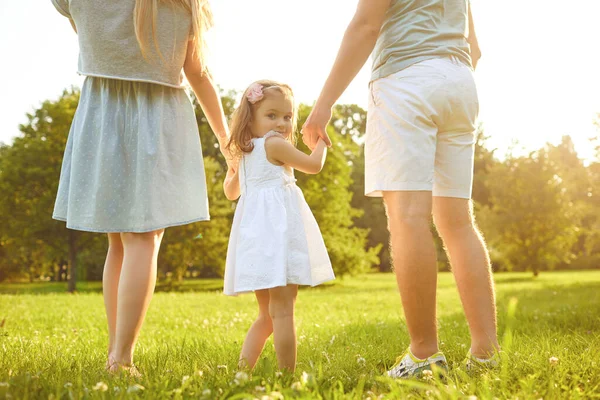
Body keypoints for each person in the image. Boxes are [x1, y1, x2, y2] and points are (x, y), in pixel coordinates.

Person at [302, 0, 499, 378]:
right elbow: (474, 48)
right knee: (458, 222)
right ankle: (486, 354)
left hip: (406, 81)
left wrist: (323, 104)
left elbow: (365, 26)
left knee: (409, 217)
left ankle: (424, 355)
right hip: (459, 80)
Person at [50, 0, 230, 375]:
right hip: (156, 116)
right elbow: (198, 74)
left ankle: (115, 353)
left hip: (100, 112)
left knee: (119, 240)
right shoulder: (183, 4)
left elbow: (85, 35)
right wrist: (228, 145)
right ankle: (121, 358)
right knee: (143, 239)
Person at [222, 80, 335, 372]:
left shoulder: (244, 152)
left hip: (256, 241)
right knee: (283, 311)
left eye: (287, 116)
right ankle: (287, 376)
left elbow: (231, 192)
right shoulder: (274, 144)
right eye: (271, 115)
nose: (282, 123)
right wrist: (321, 142)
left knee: (267, 316)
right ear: (251, 118)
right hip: (277, 238)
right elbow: (313, 166)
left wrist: (233, 169)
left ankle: (241, 373)